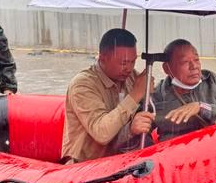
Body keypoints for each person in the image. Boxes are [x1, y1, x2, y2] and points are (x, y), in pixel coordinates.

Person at [61, 28, 155, 164]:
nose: (129, 68)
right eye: (123, 63)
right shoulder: (83, 85)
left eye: (133, 62)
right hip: (85, 165)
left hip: (121, 158)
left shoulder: (132, 77)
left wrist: (149, 95)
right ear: (103, 58)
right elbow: (101, 133)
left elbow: (153, 111)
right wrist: (135, 95)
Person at [151, 39, 216, 141]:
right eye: (184, 62)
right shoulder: (156, 95)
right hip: (176, 149)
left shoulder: (213, 81)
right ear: (167, 68)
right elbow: (143, 133)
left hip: (213, 144)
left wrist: (202, 108)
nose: (194, 66)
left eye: (196, 60)